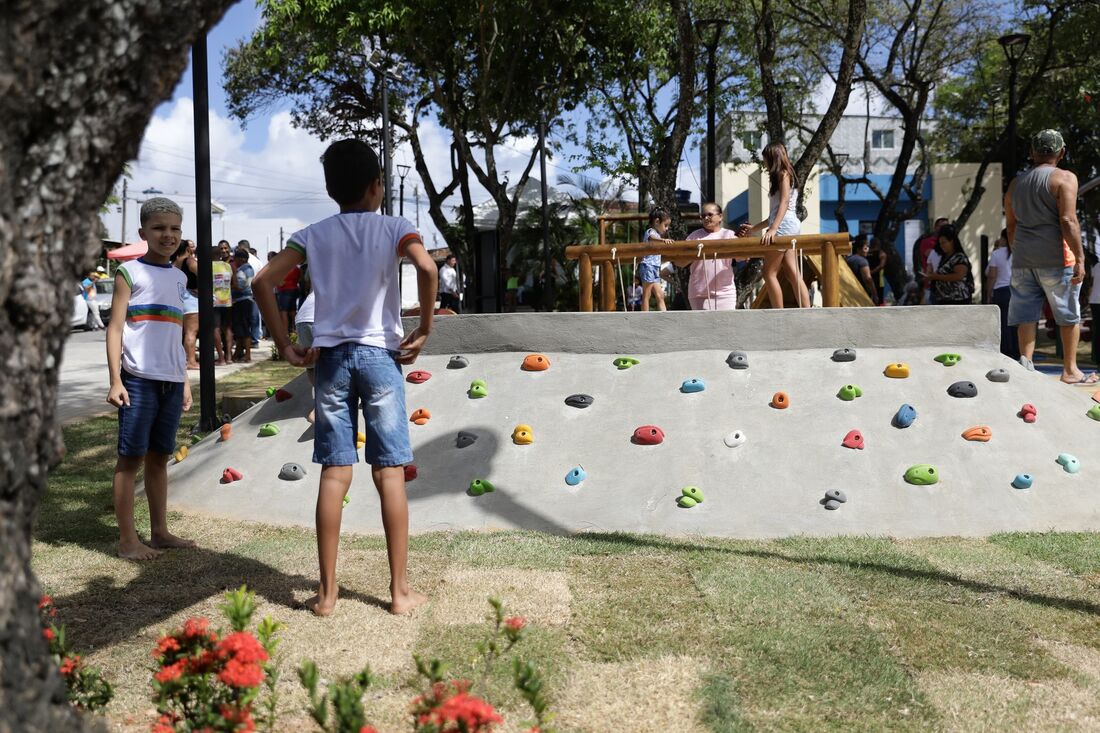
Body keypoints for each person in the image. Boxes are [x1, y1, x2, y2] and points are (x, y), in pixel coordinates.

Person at [253, 138, 436, 616]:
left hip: (330, 360)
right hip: (380, 357)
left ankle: (328, 595)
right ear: (378, 186)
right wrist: (425, 328)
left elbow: (261, 282)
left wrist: (286, 344)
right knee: (388, 472)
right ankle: (398, 594)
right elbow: (427, 267)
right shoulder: (396, 227)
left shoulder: (312, 234)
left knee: (335, 474)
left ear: (331, 188)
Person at [105, 197, 195, 560]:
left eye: (174, 229)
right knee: (131, 459)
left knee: (160, 457)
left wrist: (184, 380)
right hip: (138, 380)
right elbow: (114, 330)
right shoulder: (129, 273)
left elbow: (174, 333)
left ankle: (160, 532)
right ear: (143, 233)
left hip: (171, 382)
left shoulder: (178, 277)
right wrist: (115, 380)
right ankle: (128, 541)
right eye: (159, 228)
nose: (167, 235)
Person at [1005, 129, 1097, 384]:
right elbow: (1068, 220)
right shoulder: (1065, 178)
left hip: (1023, 258)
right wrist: (1079, 258)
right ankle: (1070, 371)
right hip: (1057, 258)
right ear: (1061, 152)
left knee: (1026, 315)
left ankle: (1026, 368)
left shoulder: (1015, 183)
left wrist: (1018, 251)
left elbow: (1011, 226)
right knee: (1068, 314)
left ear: (1033, 153)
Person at [738, 142, 811, 308]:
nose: (764, 163)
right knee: (792, 271)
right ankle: (807, 310)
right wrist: (755, 229)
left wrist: (773, 229)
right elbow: (775, 213)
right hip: (788, 224)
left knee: (769, 272)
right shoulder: (786, 173)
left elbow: (784, 202)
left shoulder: (783, 174)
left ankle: (779, 312)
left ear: (772, 157)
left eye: (765, 159)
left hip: (784, 225)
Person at [673, 202, 738, 310]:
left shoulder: (729, 235)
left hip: (725, 293)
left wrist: (746, 236)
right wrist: (695, 254)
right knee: (701, 327)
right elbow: (679, 263)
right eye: (703, 216)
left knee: (726, 326)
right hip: (699, 293)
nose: (706, 218)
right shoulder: (694, 236)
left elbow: (743, 258)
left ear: (720, 216)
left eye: (710, 214)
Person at [984, 228, 1019, 359]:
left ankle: (1007, 352)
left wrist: (989, 293)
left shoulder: (997, 253)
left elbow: (991, 275)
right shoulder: (1020, 252)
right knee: (1017, 322)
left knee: (1004, 322)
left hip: (1001, 290)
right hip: (1018, 290)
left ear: (1004, 238)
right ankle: (1018, 350)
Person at [923, 225, 972, 305]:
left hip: (957, 300)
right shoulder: (944, 257)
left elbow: (959, 276)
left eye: (944, 242)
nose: (942, 246)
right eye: (940, 243)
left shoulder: (959, 257)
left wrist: (937, 277)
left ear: (952, 241)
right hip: (943, 299)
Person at [173, 239, 200, 369]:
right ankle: (191, 361)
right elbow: (204, 275)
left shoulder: (174, 263)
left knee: (182, 332)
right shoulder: (190, 261)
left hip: (179, 298)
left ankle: (183, 359)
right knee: (191, 332)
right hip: (191, 299)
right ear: (188, 249)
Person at [639, 208, 671, 311]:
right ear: (657, 222)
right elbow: (651, 238)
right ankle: (644, 316)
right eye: (665, 225)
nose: (666, 229)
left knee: (660, 294)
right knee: (647, 293)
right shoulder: (650, 232)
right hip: (648, 265)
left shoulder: (657, 235)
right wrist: (663, 240)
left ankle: (664, 315)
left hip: (654, 267)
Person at [915, 217, 950, 302]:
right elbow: (932, 254)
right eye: (941, 226)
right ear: (935, 228)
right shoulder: (927, 242)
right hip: (931, 286)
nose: (944, 229)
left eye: (947, 227)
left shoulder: (950, 242)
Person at [295, 290, 317, 423]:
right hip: (320, 317)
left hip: (302, 319)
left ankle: (320, 400)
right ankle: (320, 407)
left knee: (312, 365)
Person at [230, 249, 255, 362]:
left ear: (242, 259)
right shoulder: (246, 269)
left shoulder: (244, 270)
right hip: (243, 301)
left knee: (244, 328)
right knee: (240, 329)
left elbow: (241, 287)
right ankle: (238, 353)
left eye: (235, 258)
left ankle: (248, 355)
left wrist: (229, 285)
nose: (234, 261)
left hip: (242, 301)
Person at [212, 242, 234, 365]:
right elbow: (233, 282)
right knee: (227, 329)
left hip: (214, 302)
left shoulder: (207, 266)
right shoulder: (227, 266)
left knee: (215, 329)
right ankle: (229, 357)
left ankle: (221, 358)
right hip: (227, 302)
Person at [845, 235, 879, 303]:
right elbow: (868, 279)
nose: (867, 251)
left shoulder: (848, 259)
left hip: (847, 292)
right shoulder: (862, 261)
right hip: (861, 293)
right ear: (858, 249)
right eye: (865, 248)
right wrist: (875, 294)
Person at [275, 262, 300, 337]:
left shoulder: (284, 268)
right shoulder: (296, 268)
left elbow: (280, 282)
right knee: (293, 311)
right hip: (294, 289)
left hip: (284, 290)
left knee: (283, 312)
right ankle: (295, 330)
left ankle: (285, 333)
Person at [1088, 249, 1100, 369]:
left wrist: (1088, 297)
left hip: (1095, 301)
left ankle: (1097, 360)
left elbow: (1091, 284)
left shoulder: (1096, 266)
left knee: (1097, 330)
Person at [867, 236, 887, 304]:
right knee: (878, 299)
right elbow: (881, 266)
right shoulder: (882, 254)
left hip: (867, 277)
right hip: (878, 279)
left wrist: (869, 273)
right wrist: (872, 272)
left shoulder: (866, 253)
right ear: (879, 244)